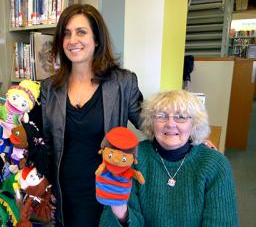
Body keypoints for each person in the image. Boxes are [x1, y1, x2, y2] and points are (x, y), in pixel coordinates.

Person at [41, 4, 143, 226]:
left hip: (106, 187)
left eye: (81, 32)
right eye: (66, 34)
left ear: (97, 39)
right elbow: (47, 143)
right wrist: (46, 185)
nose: (72, 40)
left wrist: (194, 135)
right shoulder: (50, 87)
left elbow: (149, 123)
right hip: (65, 190)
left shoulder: (123, 82)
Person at [100, 90, 238, 226]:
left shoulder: (216, 165)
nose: (170, 124)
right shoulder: (131, 159)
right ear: (151, 122)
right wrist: (121, 213)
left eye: (181, 117)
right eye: (161, 116)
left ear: (194, 124)